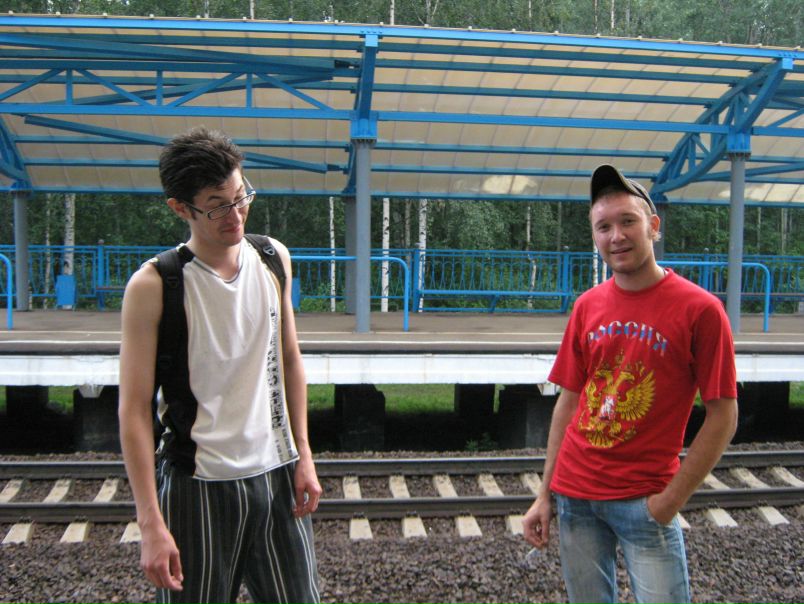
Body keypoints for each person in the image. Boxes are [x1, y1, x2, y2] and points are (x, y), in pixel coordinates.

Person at [118, 126, 321, 604]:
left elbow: (290, 360)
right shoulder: (156, 285)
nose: (236, 215)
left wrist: (304, 453)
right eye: (217, 206)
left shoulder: (272, 259)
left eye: (241, 196)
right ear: (180, 208)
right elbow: (133, 409)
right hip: (198, 485)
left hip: (277, 476)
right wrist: (150, 522)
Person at [522, 164, 738, 604]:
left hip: (645, 501)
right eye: (603, 227)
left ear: (653, 226)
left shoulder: (700, 310)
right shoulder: (587, 306)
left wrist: (669, 502)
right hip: (575, 497)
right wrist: (545, 494)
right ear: (594, 237)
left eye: (627, 221)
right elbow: (569, 403)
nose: (616, 236)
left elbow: (724, 416)